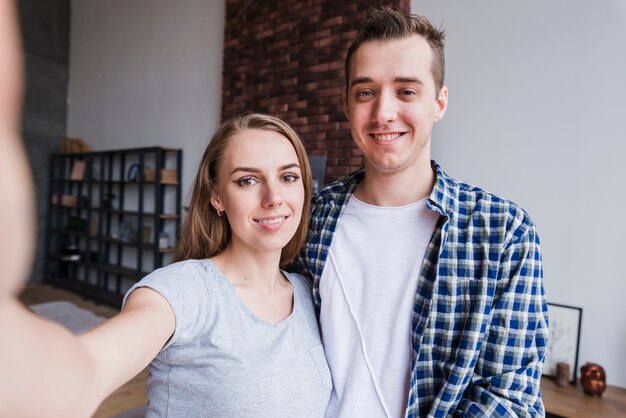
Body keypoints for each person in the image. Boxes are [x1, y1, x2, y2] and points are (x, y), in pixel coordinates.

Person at [0, 48, 332, 416]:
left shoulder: (307, 293)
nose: (273, 198)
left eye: (288, 177)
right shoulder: (185, 292)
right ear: (217, 197)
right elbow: (87, 370)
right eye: (248, 180)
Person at [294, 8, 548, 418]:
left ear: (439, 102)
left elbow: (511, 401)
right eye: (365, 92)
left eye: (406, 91)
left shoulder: (503, 234)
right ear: (346, 104)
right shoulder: (308, 220)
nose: (383, 113)